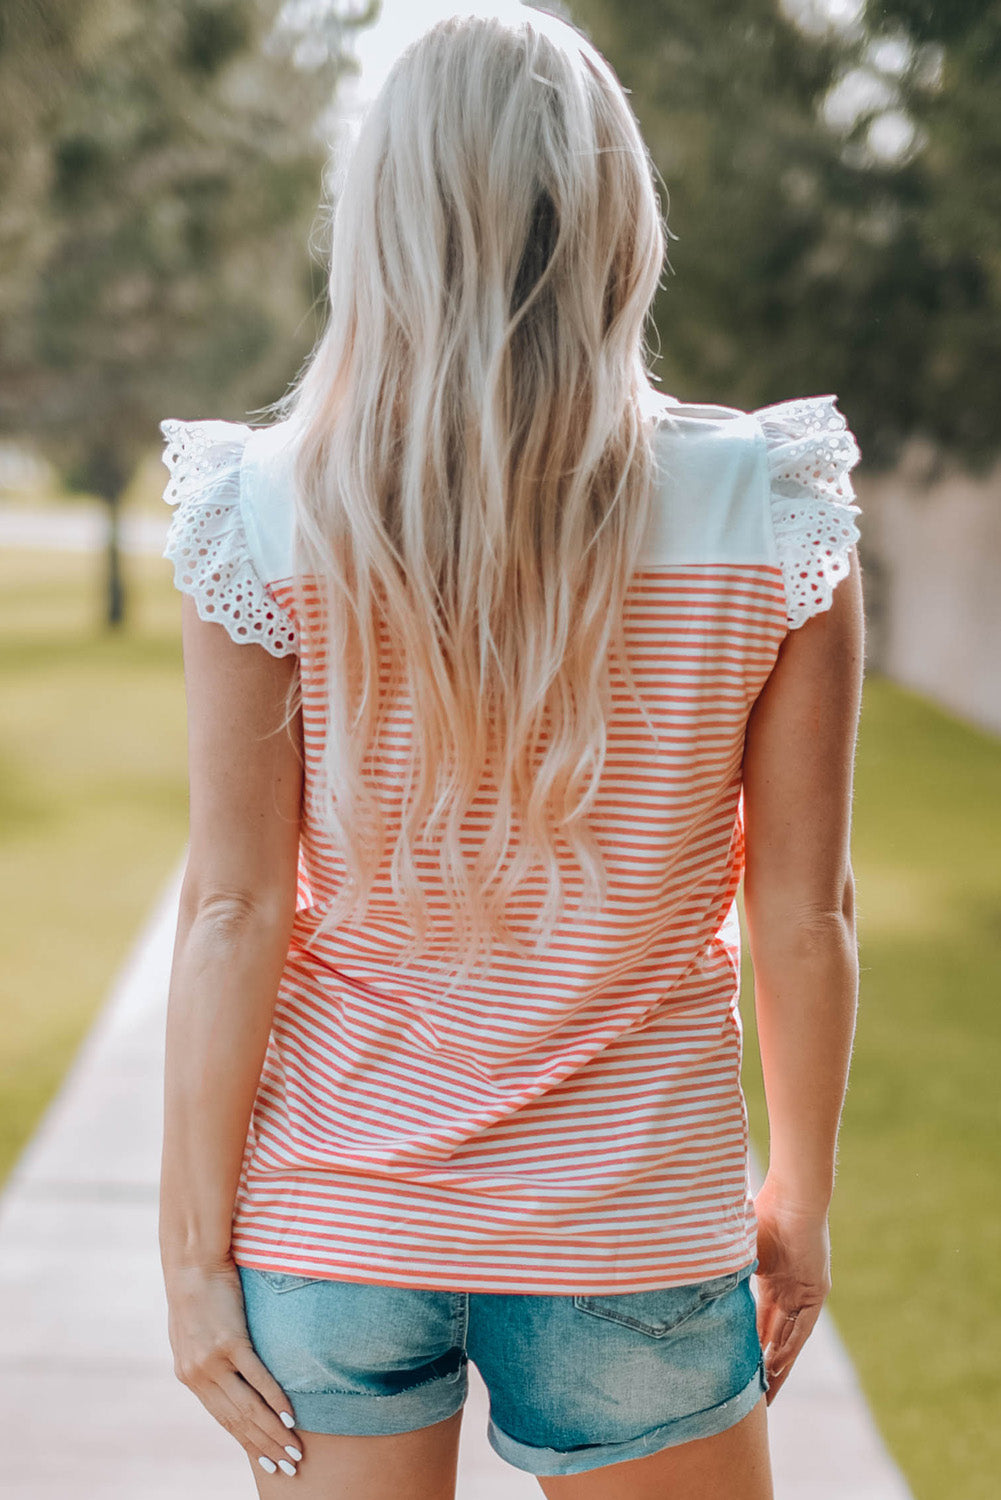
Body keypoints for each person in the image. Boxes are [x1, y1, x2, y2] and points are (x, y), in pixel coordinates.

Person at [156, 8, 864, 1498]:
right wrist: (796, 1194)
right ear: (616, 216)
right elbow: (802, 916)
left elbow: (234, 909)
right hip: (631, 1227)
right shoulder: (769, 509)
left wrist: (192, 1252)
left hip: (334, 1224)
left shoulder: (261, 515)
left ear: (379, 225)